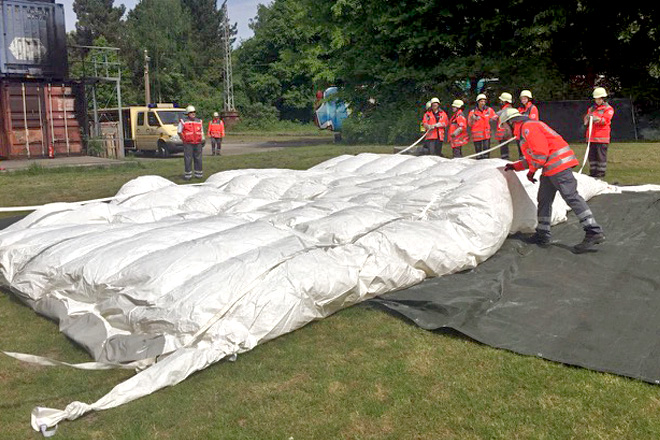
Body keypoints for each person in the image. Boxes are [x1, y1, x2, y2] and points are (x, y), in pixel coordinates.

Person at [499, 107, 605, 253]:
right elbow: (532, 158)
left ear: (511, 122)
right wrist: (514, 166)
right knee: (544, 199)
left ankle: (593, 231)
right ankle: (542, 234)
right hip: (550, 168)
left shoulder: (529, 128)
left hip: (558, 166)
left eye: (503, 125)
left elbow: (540, 154)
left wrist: (532, 171)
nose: (502, 130)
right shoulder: (524, 131)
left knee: (571, 197)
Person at [583, 87, 615, 178]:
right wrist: (588, 118)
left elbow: (605, 121)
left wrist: (596, 119)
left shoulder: (608, 109)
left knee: (600, 156)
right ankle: (593, 172)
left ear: (603, 98)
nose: (597, 100)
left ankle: (600, 173)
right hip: (591, 137)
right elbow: (586, 120)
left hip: (602, 137)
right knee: (592, 156)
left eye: (599, 99)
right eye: (596, 99)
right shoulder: (591, 109)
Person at [178, 105, 204, 180]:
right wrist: (184, 140)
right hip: (188, 143)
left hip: (198, 143)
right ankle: (188, 175)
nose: (193, 114)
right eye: (191, 112)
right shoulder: (183, 121)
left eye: (194, 112)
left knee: (198, 158)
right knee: (188, 159)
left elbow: (201, 131)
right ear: (187, 114)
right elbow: (179, 132)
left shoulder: (199, 121)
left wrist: (202, 139)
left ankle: (198, 174)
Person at [467, 94, 497, 159]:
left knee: (486, 153)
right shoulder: (473, 112)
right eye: (481, 101)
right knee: (478, 154)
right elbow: (469, 124)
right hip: (477, 136)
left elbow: (495, 117)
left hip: (486, 135)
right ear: (478, 102)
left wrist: (492, 119)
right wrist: (472, 118)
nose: (483, 103)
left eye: (484, 101)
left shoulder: (489, 110)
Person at [496, 92, 514, 160]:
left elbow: (495, 116)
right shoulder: (509, 108)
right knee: (504, 148)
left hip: (505, 132)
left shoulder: (506, 109)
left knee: (504, 149)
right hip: (506, 132)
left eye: (501, 100)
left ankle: (505, 161)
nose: (500, 102)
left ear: (504, 101)